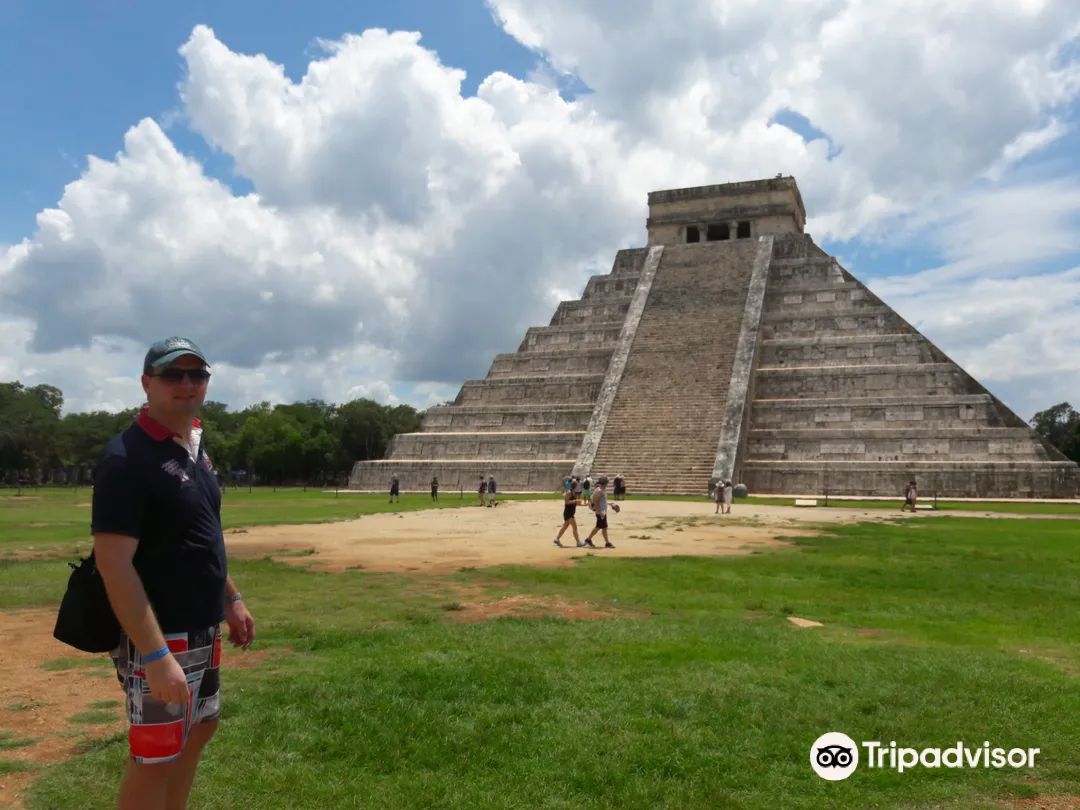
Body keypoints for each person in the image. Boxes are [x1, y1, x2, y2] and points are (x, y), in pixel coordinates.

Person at [90, 337, 255, 810]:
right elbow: (114, 563)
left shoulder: (194, 448)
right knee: (157, 754)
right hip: (164, 634)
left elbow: (201, 534)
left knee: (199, 732)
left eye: (196, 375)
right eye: (172, 375)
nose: (186, 384)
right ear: (147, 383)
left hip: (202, 625)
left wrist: (232, 598)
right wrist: (156, 654)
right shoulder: (128, 457)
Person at [580, 476, 615, 549]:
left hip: (602, 511)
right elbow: (596, 501)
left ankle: (603, 542)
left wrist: (610, 504)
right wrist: (599, 511)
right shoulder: (599, 490)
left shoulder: (602, 490)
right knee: (600, 527)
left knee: (602, 527)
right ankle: (604, 542)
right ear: (605, 483)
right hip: (600, 512)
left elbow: (602, 501)